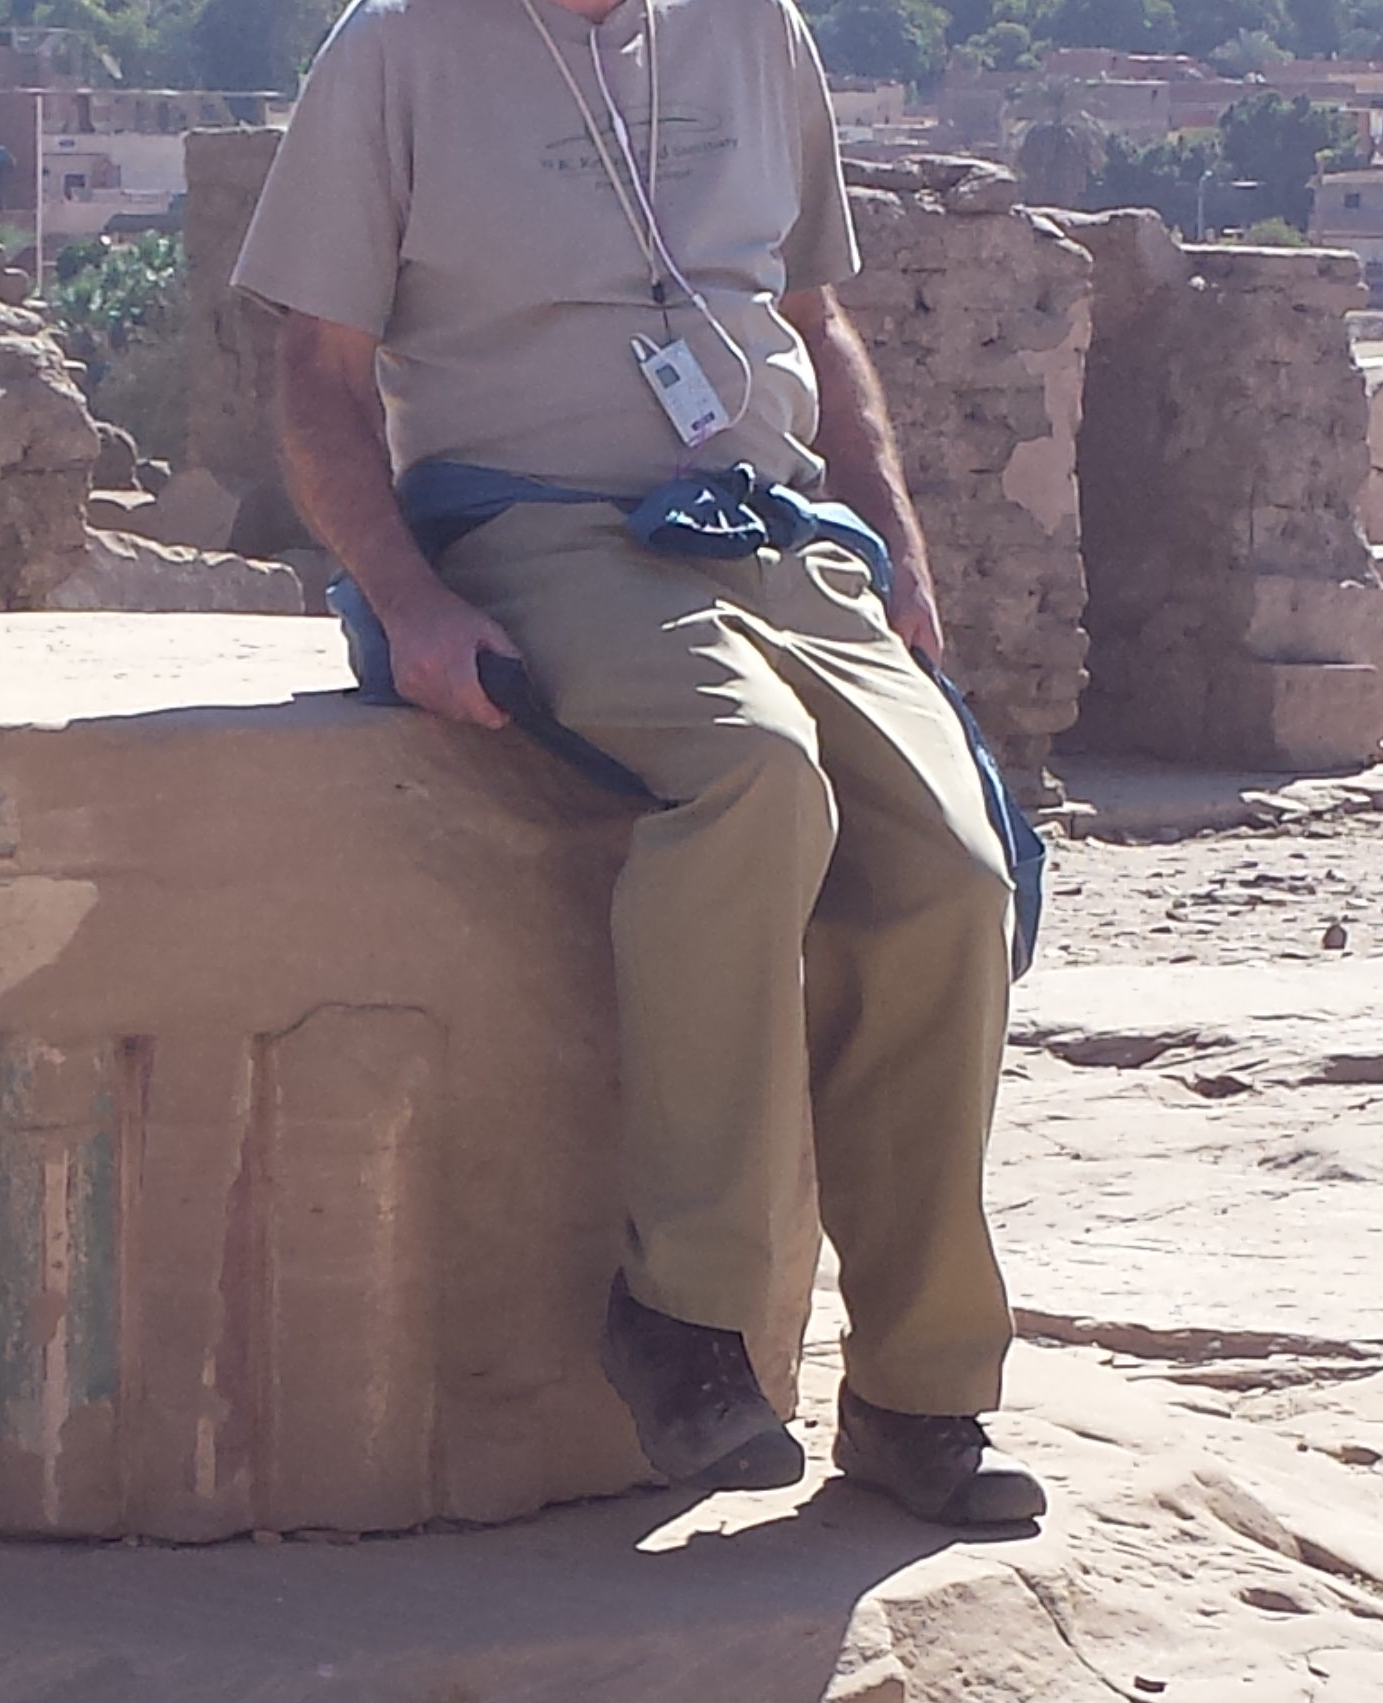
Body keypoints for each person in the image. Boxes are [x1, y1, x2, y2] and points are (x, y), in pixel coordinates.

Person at [235, 0, 1045, 1527]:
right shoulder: (396, 50)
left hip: (775, 529)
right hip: (530, 523)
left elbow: (813, 320)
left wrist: (896, 545)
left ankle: (918, 1392)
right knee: (755, 774)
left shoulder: (754, 29)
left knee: (951, 864)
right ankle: (686, 1314)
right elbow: (318, 371)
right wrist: (408, 600)